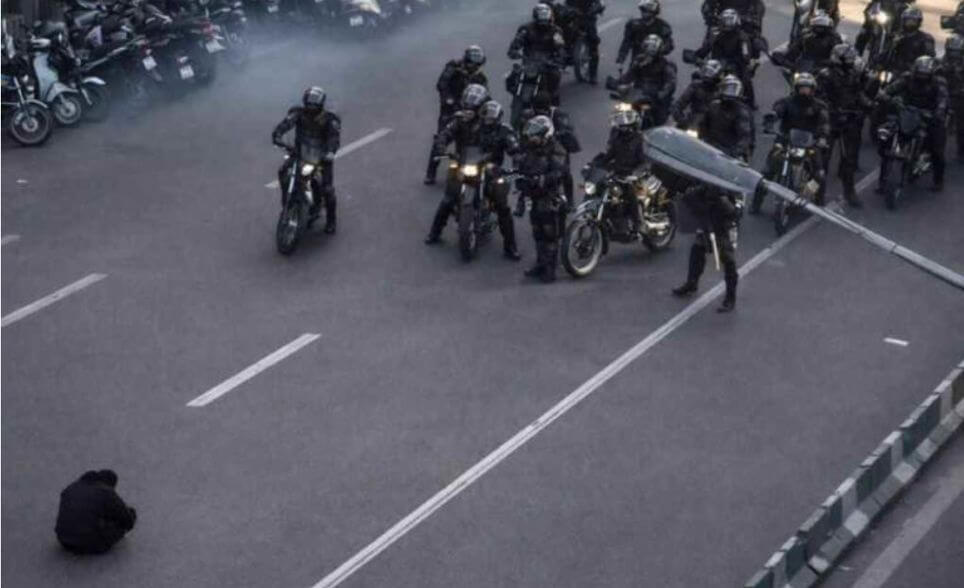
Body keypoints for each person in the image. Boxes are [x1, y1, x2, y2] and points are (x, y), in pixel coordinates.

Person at [672, 75, 751, 313]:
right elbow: (701, 127)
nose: (728, 94)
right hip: (708, 164)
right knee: (698, 242)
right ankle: (692, 282)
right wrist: (696, 142)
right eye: (726, 89)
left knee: (726, 252)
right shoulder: (713, 108)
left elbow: (745, 138)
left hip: (727, 169)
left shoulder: (742, 113)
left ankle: (730, 296)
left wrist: (731, 156)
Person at [425, 99, 522, 260]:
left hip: (491, 170)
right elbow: (448, 135)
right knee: (449, 197)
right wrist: (443, 149)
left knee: (502, 206)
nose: (488, 122)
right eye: (486, 118)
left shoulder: (505, 131)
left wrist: (517, 162)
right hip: (469, 165)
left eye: (491, 119)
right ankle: (434, 233)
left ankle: (510, 246)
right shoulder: (473, 127)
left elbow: (515, 149)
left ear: (498, 119)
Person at [754, 72, 831, 211]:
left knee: (819, 174)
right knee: (767, 171)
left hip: (809, 143)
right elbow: (777, 111)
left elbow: (825, 122)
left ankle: (819, 203)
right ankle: (756, 203)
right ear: (796, 88)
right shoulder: (786, 102)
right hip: (785, 140)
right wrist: (771, 119)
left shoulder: (819, 106)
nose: (804, 91)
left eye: (807, 88)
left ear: (813, 89)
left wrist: (823, 137)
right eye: (802, 88)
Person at [272, 86, 341, 234]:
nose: (310, 108)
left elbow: (334, 139)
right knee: (283, 172)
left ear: (320, 105)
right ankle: (287, 202)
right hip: (299, 154)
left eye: (314, 105)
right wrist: (277, 135)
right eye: (309, 104)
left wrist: (330, 152)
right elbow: (286, 124)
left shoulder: (330, 119)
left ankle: (331, 220)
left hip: (320, 158)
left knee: (327, 190)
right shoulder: (298, 113)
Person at [877, 55, 948, 191]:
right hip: (906, 112)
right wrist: (884, 96)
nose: (921, 76)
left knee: (937, 149)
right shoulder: (907, 77)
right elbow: (891, 89)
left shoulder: (939, 82)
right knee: (886, 138)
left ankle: (938, 181)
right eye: (919, 73)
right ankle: (882, 182)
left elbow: (943, 100)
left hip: (928, 116)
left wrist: (938, 112)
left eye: (925, 74)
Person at [817, 43, 873, 207]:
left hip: (849, 120)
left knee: (849, 159)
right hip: (830, 121)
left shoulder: (853, 74)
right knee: (822, 160)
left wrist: (868, 104)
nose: (851, 61)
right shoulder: (825, 75)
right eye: (848, 59)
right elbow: (819, 97)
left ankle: (849, 192)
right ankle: (818, 193)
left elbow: (858, 93)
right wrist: (832, 110)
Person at [515, 115, 568, 283]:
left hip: (549, 196)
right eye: (531, 135)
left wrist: (542, 179)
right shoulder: (529, 149)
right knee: (537, 232)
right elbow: (521, 165)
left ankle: (550, 269)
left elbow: (560, 171)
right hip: (533, 196)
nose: (532, 138)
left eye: (535, 135)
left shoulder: (556, 149)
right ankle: (540, 263)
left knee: (549, 233)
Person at [425, 45, 488, 185]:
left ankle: (477, 169)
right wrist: (449, 99)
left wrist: (486, 108)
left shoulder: (480, 77)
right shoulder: (453, 67)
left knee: (477, 137)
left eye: (477, 64)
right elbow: (442, 84)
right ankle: (431, 173)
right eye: (472, 63)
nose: (474, 67)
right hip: (451, 109)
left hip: (471, 110)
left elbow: (485, 94)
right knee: (442, 137)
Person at [587, 106, 648, 234]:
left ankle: (638, 223)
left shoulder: (640, 140)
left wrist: (635, 174)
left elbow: (644, 162)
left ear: (632, 127)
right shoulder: (618, 138)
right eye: (621, 126)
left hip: (632, 176)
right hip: (618, 173)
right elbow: (609, 156)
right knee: (601, 187)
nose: (621, 128)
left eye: (624, 126)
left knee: (631, 195)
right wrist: (594, 165)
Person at [520, 92, 581, 207]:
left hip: (556, 145)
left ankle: (570, 199)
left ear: (549, 106)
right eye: (538, 109)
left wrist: (557, 134)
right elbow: (522, 132)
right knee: (523, 170)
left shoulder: (559, 114)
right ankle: (522, 200)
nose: (541, 112)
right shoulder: (528, 115)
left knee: (565, 171)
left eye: (543, 109)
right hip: (535, 145)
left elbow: (568, 130)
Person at [55, 470, 136, 555]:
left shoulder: (70, 488)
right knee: (125, 518)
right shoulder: (106, 492)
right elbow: (128, 520)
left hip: (64, 540)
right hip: (91, 544)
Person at [695, 9, 761, 109]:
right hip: (716, 65)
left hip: (736, 65)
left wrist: (741, 62)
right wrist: (697, 57)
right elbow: (705, 48)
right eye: (726, 22)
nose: (728, 26)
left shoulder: (742, 37)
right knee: (698, 76)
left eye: (730, 22)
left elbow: (746, 55)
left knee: (746, 79)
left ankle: (750, 102)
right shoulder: (715, 35)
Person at [508, 3, 566, 106]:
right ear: (535, 17)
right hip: (529, 62)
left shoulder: (556, 31)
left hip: (547, 63)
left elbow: (560, 48)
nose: (543, 23)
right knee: (513, 76)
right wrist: (513, 51)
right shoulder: (526, 29)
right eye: (541, 19)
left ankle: (553, 106)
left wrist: (558, 60)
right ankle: (516, 96)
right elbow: (517, 42)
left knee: (555, 77)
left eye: (545, 19)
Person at [613, 34, 677, 127]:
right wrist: (617, 83)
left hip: (655, 97)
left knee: (660, 122)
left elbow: (671, 82)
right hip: (638, 94)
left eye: (653, 49)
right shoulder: (639, 60)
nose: (650, 52)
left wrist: (662, 94)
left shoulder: (665, 64)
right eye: (648, 48)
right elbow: (630, 75)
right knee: (621, 113)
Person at [616, 0, 674, 66]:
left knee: (670, 69)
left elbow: (669, 44)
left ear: (654, 12)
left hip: (657, 62)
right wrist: (620, 59)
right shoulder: (633, 25)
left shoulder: (662, 26)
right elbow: (626, 43)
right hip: (637, 61)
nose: (644, 13)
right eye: (643, 10)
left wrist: (659, 49)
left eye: (647, 11)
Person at [671, 59, 724, 130]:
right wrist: (681, 119)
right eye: (707, 71)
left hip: (710, 127)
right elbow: (680, 103)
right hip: (692, 120)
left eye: (710, 73)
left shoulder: (721, 92)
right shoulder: (696, 86)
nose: (708, 75)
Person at [561, 0, 605, 83]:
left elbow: (600, 4)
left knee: (593, 42)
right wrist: (567, 10)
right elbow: (565, 4)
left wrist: (595, 9)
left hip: (588, 18)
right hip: (573, 18)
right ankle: (563, 57)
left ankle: (593, 74)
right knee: (562, 35)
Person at [885, 6, 936, 75]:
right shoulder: (896, 36)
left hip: (914, 72)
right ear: (903, 21)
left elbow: (929, 58)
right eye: (908, 21)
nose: (910, 23)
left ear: (918, 22)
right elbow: (885, 54)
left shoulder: (926, 39)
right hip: (893, 70)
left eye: (913, 21)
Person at [941, 35, 964, 160]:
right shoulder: (942, 61)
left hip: (959, 95)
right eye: (951, 51)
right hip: (942, 93)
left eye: (957, 51)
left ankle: (961, 150)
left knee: (961, 125)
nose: (954, 54)